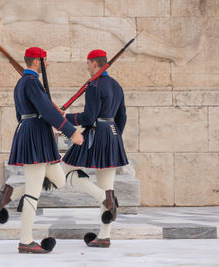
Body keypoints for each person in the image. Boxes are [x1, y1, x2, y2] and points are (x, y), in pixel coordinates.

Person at [0, 47, 84, 254]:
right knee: (33, 193)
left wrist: (50, 112)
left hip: (36, 134)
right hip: (36, 136)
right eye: (45, 61)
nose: (47, 64)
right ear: (37, 62)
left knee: (58, 180)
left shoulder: (24, 83)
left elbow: (26, 113)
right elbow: (45, 111)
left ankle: (12, 193)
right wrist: (71, 132)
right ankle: (26, 241)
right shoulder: (32, 82)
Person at [62, 49, 128, 248]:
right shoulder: (116, 85)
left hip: (97, 132)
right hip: (113, 133)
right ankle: (104, 236)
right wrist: (114, 136)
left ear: (94, 63)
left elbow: (88, 118)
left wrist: (65, 118)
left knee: (67, 169)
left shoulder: (94, 85)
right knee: (107, 184)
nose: (87, 66)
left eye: (88, 63)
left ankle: (104, 199)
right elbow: (122, 116)